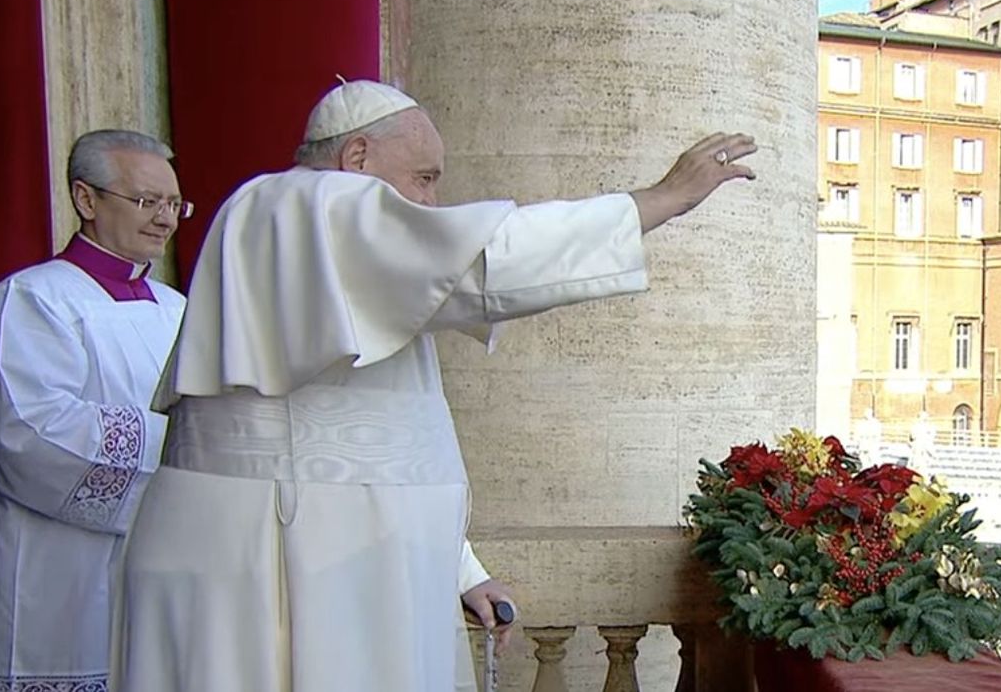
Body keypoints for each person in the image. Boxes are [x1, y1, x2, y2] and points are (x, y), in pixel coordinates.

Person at [113, 80, 758, 692]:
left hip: (313, 546)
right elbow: (489, 261)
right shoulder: (309, 202)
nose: (430, 206)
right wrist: (661, 199)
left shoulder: (328, 239)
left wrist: (461, 570)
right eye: (423, 178)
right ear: (357, 157)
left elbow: (387, 445)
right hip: (285, 559)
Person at [0, 130, 189, 690]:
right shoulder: (33, 300)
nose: (165, 219)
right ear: (86, 199)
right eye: (147, 201)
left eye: (175, 204)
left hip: (168, 569)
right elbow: (29, 433)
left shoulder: (180, 308)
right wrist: (185, 445)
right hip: (59, 577)